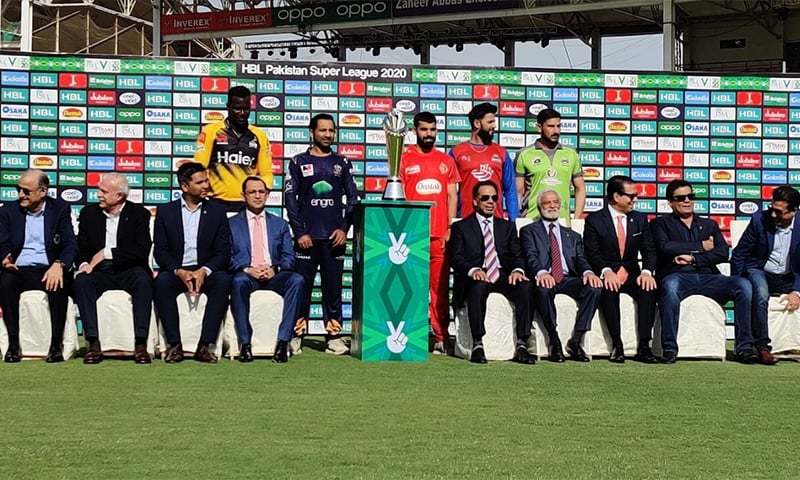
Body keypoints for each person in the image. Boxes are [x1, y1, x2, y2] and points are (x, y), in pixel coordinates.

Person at [651, 179, 758, 364]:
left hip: (710, 277)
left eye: (690, 196)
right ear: (670, 202)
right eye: (681, 197)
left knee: (743, 285)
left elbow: (723, 252)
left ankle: (744, 348)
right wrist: (702, 245)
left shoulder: (709, 224)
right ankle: (669, 348)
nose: (687, 201)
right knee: (669, 285)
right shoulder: (660, 224)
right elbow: (665, 247)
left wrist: (693, 257)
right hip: (678, 276)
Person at [285, 113, 358, 356]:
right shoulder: (297, 161)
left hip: (333, 239)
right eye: (323, 130)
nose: (328, 135)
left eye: (331, 131)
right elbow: (290, 200)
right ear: (312, 132)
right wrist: (299, 232)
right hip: (306, 239)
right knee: (301, 288)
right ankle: (296, 336)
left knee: (333, 290)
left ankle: (334, 337)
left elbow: (353, 199)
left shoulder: (342, 162)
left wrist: (343, 228)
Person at [449, 181, 536, 364]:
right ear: (475, 201)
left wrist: (518, 270)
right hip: (475, 277)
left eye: (494, 198)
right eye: (485, 198)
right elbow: (456, 258)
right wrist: (473, 270)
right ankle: (478, 344)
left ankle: (522, 343)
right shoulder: (461, 227)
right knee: (478, 286)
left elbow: (517, 254)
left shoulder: (507, 227)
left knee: (525, 286)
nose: (490, 202)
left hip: (502, 275)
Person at [152, 162, 232, 364]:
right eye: (200, 182)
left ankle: (205, 345)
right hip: (176, 271)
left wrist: (204, 271)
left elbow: (223, 252)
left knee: (223, 281)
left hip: (206, 270)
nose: (206, 185)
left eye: (206, 180)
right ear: (185, 186)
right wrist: (178, 271)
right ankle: (174, 345)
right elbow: (160, 252)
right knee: (161, 282)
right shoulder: (165, 212)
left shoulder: (217, 211)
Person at [72, 173, 153, 364]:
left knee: (143, 281)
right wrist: (84, 264)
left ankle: (140, 344)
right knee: (82, 281)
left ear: (119, 196)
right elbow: (80, 247)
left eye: (103, 191)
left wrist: (107, 253)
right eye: (99, 190)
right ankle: (93, 343)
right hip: (98, 271)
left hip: (129, 269)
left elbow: (141, 250)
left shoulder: (139, 214)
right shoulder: (88, 213)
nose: (98, 194)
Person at [0, 169, 77, 363]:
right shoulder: (7, 211)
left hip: (48, 268)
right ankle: (13, 345)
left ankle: (55, 345)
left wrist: (59, 264)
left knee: (57, 284)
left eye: (26, 191)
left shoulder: (60, 209)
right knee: (6, 283)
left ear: (42, 191)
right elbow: (2, 243)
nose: (20, 195)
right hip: (18, 269)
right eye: (18, 189)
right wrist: (5, 258)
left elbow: (70, 244)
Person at [399, 111, 460, 355]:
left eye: (433, 130)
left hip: (439, 235)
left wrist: (449, 227)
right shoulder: (403, 158)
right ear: (415, 131)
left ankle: (440, 336)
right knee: (410, 287)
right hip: (413, 235)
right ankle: (409, 336)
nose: (429, 134)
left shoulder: (446, 160)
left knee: (439, 289)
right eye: (424, 130)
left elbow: (452, 196)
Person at [520, 190, 602, 362]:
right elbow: (530, 256)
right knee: (542, 289)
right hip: (545, 277)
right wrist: (541, 272)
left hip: (568, 278)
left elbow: (580, 258)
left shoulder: (572, 235)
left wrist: (588, 272)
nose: (552, 206)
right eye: (547, 203)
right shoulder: (529, 231)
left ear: (560, 204)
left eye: (555, 202)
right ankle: (554, 339)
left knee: (594, 287)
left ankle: (576, 339)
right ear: (539, 206)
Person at [583, 176, 659, 363]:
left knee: (648, 288)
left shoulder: (640, 219)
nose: (635, 199)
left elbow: (649, 250)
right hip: (608, 272)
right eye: (631, 195)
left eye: (636, 195)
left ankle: (644, 346)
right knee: (608, 290)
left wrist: (647, 272)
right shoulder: (594, 219)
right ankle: (617, 345)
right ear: (616, 196)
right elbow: (592, 252)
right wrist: (606, 271)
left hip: (633, 273)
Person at [229, 176, 305, 363]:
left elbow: (289, 257)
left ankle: (283, 342)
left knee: (297, 280)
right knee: (238, 282)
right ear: (243, 195)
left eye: (261, 192)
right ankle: (245, 344)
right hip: (247, 275)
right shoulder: (231, 224)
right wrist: (247, 269)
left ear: (268, 194)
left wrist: (275, 268)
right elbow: (226, 258)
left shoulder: (280, 224)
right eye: (252, 192)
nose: (257, 196)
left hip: (274, 276)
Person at [730, 185, 800, 365]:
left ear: (794, 212)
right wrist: (737, 282)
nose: (774, 215)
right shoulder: (759, 220)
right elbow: (739, 254)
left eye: (780, 212)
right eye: (772, 209)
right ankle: (762, 347)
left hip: (789, 277)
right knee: (760, 293)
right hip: (759, 270)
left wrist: (797, 291)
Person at [194, 85, 273, 213]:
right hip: (214, 202)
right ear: (228, 107)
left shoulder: (260, 136)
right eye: (237, 109)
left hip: (246, 205)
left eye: (246, 109)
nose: (242, 113)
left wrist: (259, 196)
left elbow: (266, 173)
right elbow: (199, 168)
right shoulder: (210, 131)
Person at [449, 102, 518, 221]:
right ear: (477, 123)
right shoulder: (456, 152)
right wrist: (450, 221)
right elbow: (449, 192)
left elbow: (510, 190)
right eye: (490, 122)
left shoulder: (501, 152)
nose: (494, 125)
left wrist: (513, 221)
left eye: (494, 121)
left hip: (495, 222)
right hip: (466, 221)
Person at [515, 108, 585, 223]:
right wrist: (518, 219)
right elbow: (518, 192)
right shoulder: (524, 154)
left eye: (558, 126)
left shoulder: (571, 154)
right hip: (532, 220)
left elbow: (580, 188)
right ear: (539, 127)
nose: (556, 131)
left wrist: (576, 219)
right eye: (551, 126)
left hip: (562, 221)